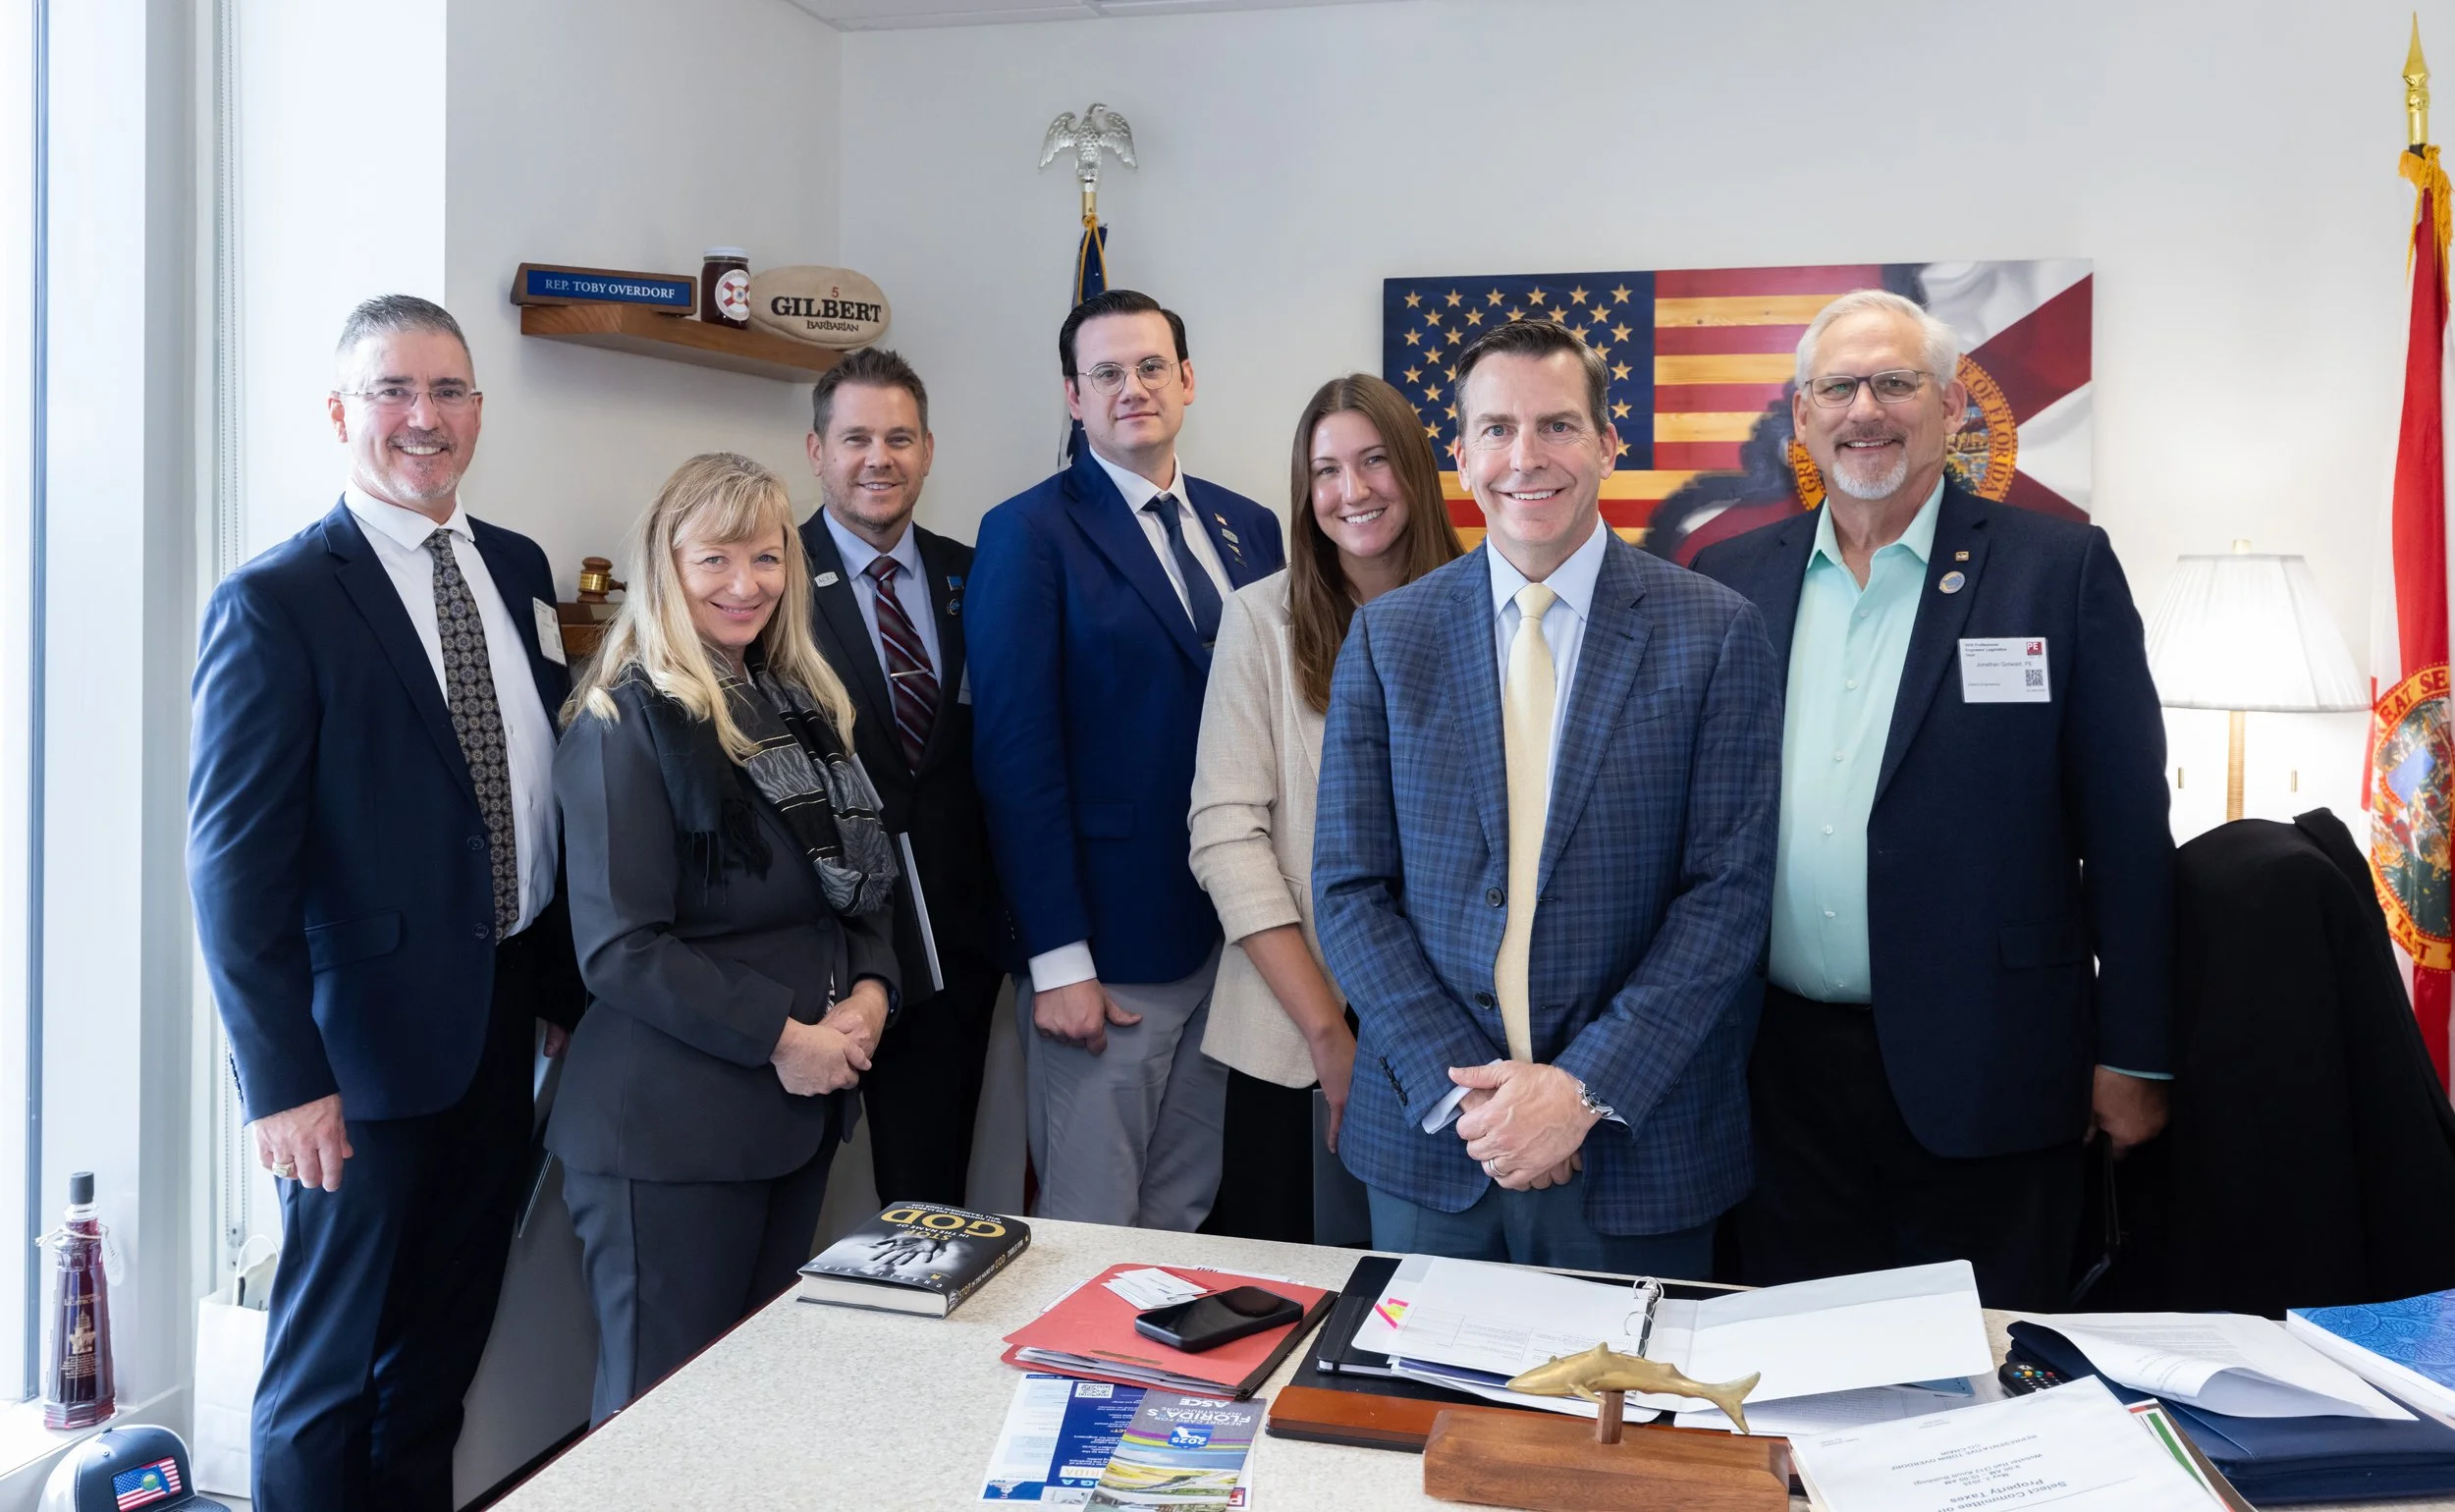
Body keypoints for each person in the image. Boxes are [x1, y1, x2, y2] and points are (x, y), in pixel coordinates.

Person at [1691, 288, 2173, 1310]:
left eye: (1895, 382)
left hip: (1991, 1070)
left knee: (1981, 1389)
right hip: (1775, 1079)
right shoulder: (1730, 579)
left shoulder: (2057, 570)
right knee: (1791, 1377)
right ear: (1802, 416)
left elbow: (2128, 836)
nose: (1865, 408)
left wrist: (2134, 1055)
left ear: (1951, 407)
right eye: (1839, 386)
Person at [187, 295, 584, 1512]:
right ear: (340, 412)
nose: (425, 418)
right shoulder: (280, 602)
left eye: (449, 391)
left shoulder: (513, 566)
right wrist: (285, 1081)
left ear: (477, 407)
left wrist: (559, 991)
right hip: (357, 1062)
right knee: (327, 1375)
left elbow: (533, 790)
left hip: (499, 1021)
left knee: (436, 1359)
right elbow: (231, 867)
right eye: (394, 392)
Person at [1313, 320, 1781, 1271]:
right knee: (1421, 1420)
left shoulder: (1716, 633)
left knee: (1615, 1420)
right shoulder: (1390, 638)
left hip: (1634, 1151)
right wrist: (1477, 1102)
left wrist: (1577, 1092)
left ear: (1611, 444)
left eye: (1557, 425)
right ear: (1460, 455)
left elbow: (1726, 899)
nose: (1524, 457)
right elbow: (1350, 891)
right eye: (1495, 429)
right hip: (1433, 1146)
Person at [549, 453, 900, 1421]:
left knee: (744, 1418)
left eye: (764, 557)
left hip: (791, 1124)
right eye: (714, 561)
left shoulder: (795, 703)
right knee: (658, 1430)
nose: (744, 585)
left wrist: (870, 995)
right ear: (666, 566)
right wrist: (789, 1039)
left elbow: (855, 896)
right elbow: (622, 947)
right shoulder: (622, 721)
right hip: (666, 1135)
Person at [968, 289, 1285, 1229]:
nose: (1131, 388)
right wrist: (1058, 959)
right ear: (1074, 397)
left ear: (1186, 380)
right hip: (1106, 955)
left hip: (1230, 938)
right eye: (1106, 372)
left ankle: (1155, 1385)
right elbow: (1015, 755)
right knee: (1088, 1221)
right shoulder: (1027, 533)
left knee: (1183, 1205)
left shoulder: (1252, 527)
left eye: (1151, 367)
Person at [1188, 373, 1462, 1242]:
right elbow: (1226, 836)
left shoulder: (1488, 606)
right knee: (1291, 1309)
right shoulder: (1259, 621)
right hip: (1291, 1037)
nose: (1352, 491)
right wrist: (1326, 1035)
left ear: (1416, 470)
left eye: (1375, 461)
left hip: (1457, 1037)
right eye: (1327, 470)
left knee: (1425, 1308)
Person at [799, 349, 1018, 1208]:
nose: (877, 458)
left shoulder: (979, 573)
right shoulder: (765, 581)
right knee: (788, 1199)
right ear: (816, 451)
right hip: (824, 943)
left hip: (954, 945)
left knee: (931, 1195)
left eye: (898, 438)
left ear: (928, 449)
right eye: (855, 438)